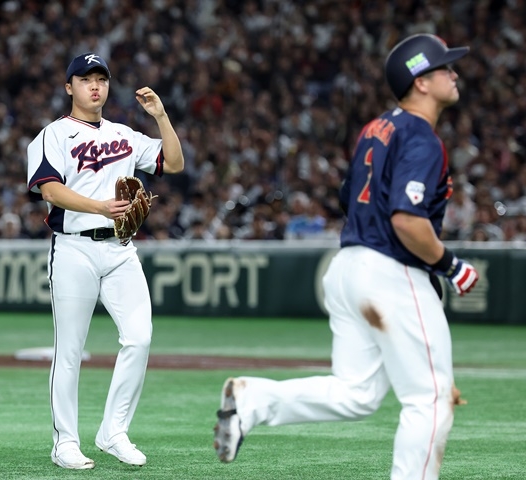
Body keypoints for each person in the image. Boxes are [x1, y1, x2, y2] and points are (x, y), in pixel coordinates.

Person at [213, 34, 479, 480]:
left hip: (349, 268)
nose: (454, 74)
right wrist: (452, 267)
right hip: (390, 271)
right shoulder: (421, 137)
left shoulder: (375, 128)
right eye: (444, 68)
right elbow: (407, 221)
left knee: (356, 393)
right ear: (421, 83)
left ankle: (253, 400)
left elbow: (348, 196)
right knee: (428, 399)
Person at [27, 52, 184, 470]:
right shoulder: (54, 135)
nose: (94, 86)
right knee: (70, 350)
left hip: (120, 249)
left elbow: (173, 162)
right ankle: (65, 443)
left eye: (101, 79)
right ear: (69, 88)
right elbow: (50, 191)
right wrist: (100, 208)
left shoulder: (125, 134)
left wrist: (161, 116)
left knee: (140, 337)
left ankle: (113, 432)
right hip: (74, 247)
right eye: (85, 79)